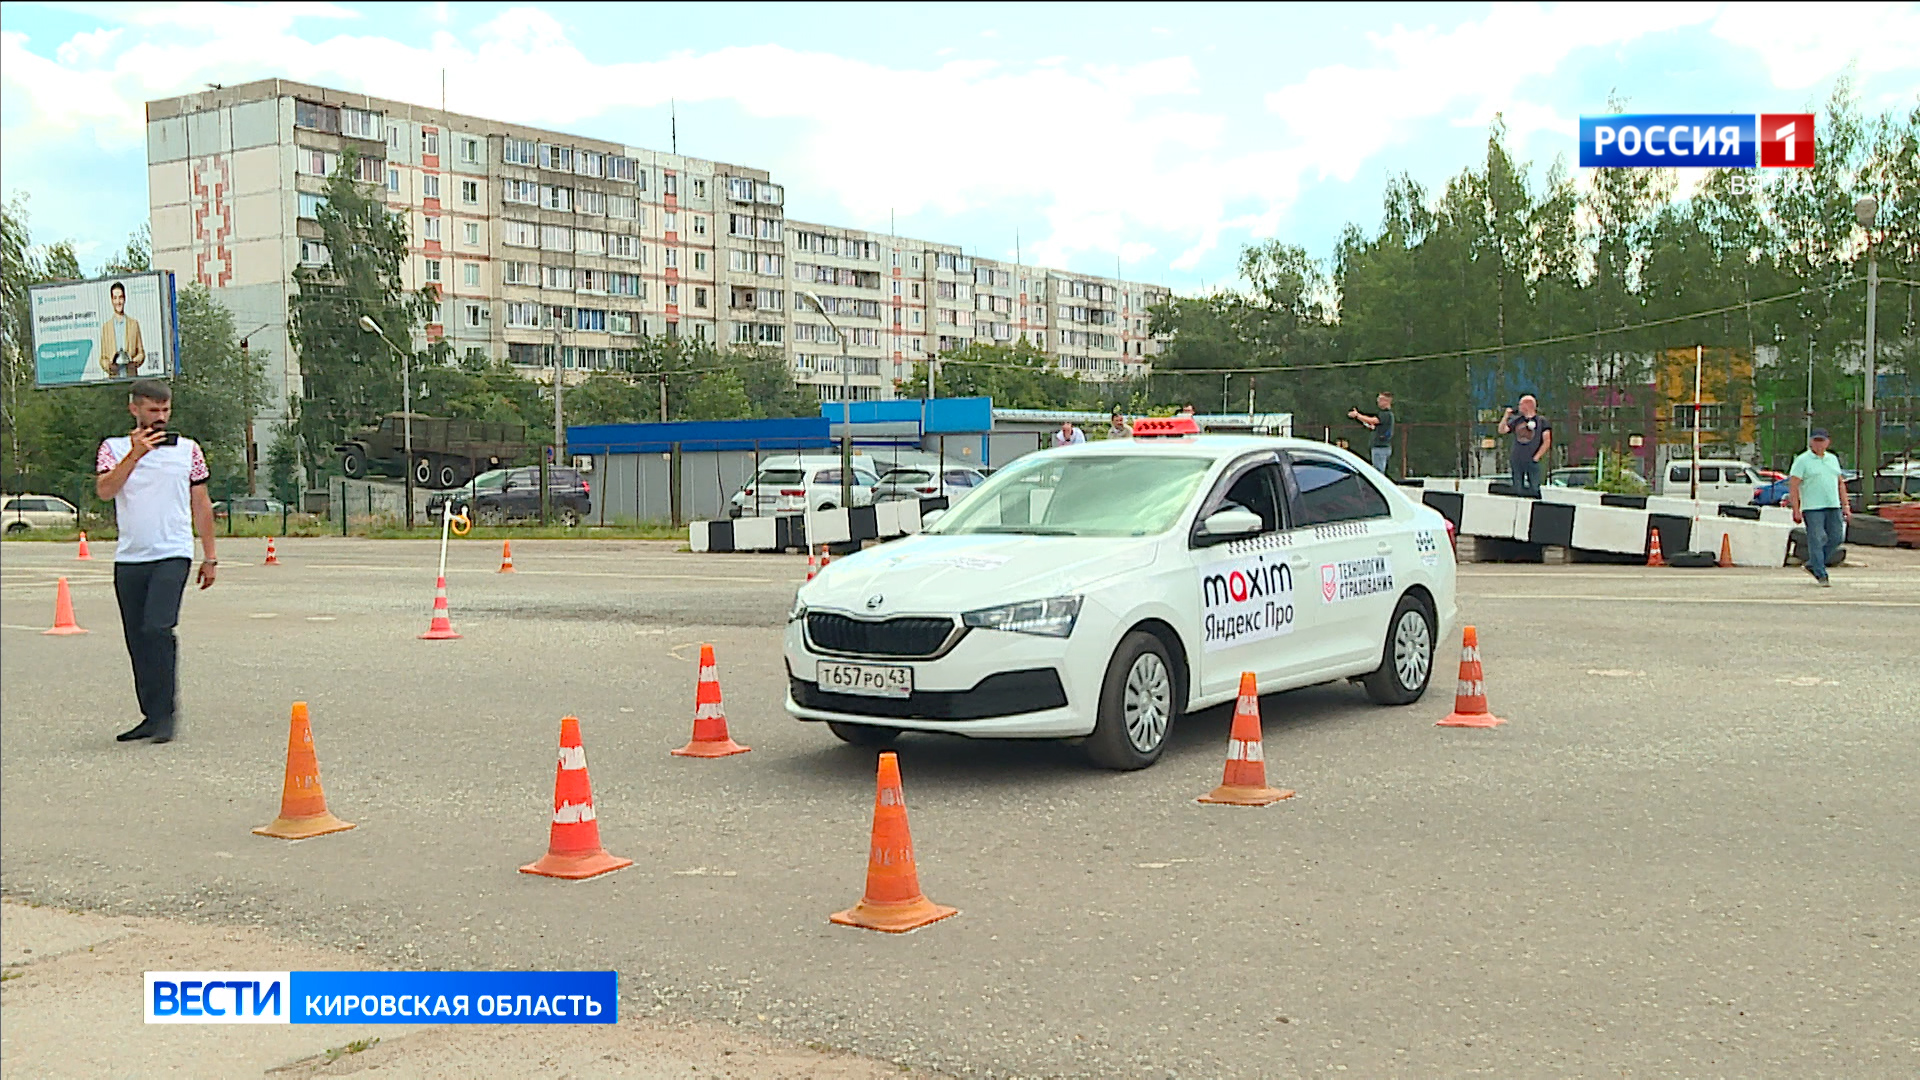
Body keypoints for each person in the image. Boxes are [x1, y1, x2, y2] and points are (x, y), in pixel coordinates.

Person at [94, 380, 217, 743]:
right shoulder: (113, 448)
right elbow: (105, 491)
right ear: (134, 409)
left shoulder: (189, 451)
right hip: (131, 556)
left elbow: (201, 503)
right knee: (137, 638)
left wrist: (210, 556)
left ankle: (166, 715)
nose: (160, 417)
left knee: (157, 629)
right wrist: (134, 455)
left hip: (173, 552)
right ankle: (150, 714)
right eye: (152, 410)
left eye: (165, 410)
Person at [1788, 428, 1851, 587]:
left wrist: (1845, 505)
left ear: (1828, 442)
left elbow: (1840, 483)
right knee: (1816, 539)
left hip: (1833, 505)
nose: (1818, 444)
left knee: (1836, 537)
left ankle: (1813, 563)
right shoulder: (1802, 460)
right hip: (1812, 507)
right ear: (1810, 442)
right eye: (1816, 441)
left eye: (1821, 441)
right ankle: (1821, 573)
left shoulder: (1832, 459)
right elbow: (1794, 485)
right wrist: (1796, 509)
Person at [1502, 395, 1552, 495]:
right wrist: (1506, 417)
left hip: (1532, 459)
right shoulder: (1517, 420)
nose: (1519, 406)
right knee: (1517, 488)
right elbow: (1502, 430)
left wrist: (1537, 457)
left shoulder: (1541, 421)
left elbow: (1547, 441)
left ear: (1528, 405)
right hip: (1517, 459)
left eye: (1521, 404)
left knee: (1534, 488)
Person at [97, 281, 146, 379]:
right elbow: (103, 358)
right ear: (112, 300)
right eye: (115, 298)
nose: (118, 302)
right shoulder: (106, 328)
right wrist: (109, 366)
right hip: (114, 379)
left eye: (120, 297)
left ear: (125, 298)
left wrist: (134, 363)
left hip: (131, 378)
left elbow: (141, 353)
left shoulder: (133, 324)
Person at [1348, 392, 1396, 475]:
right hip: (1382, 447)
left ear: (1387, 401)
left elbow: (1372, 420)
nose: (1378, 401)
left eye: (1380, 399)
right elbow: (1374, 425)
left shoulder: (1386, 414)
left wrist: (1357, 415)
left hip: (1380, 447)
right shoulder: (1386, 415)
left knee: (1378, 473)